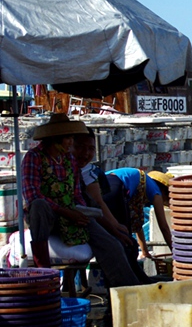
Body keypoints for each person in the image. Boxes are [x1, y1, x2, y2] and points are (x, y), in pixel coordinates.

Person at [20, 114, 141, 287]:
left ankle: (127, 292)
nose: (70, 142)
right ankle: (43, 272)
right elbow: (33, 196)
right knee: (39, 206)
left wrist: (85, 215)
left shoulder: (69, 160)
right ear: (55, 138)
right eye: (68, 138)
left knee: (112, 245)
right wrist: (67, 212)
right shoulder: (34, 157)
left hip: (71, 214)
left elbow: (77, 195)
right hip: (46, 219)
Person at [72, 130, 152, 283]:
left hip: (89, 217)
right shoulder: (65, 169)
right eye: (80, 147)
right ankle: (126, 291)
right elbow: (91, 209)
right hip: (78, 220)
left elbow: (98, 204)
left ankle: (136, 283)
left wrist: (116, 226)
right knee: (117, 245)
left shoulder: (88, 171)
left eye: (90, 149)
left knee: (128, 242)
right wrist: (114, 229)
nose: (85, 153)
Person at [104, 168, 173, 260]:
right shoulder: (156, 193)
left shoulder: (140, 183)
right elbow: (163, 227)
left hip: (102, 185)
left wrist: (145, 252)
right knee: (127, 243)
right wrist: (176, 254)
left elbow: (137, 223)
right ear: (164, 191)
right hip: (115, 188)